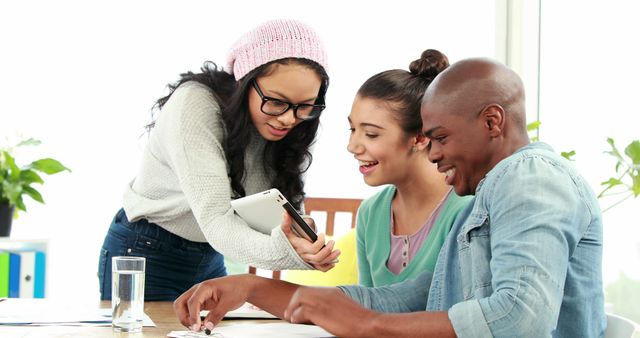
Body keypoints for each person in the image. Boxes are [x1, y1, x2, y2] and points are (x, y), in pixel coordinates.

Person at [173, 58, 606, 337]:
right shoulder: (485, 201)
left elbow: (521, 319)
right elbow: (401, 299)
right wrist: (251, 286)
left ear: (492, 121)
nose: (432, 153)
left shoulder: (530, 178)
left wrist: (369, 325)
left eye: (439, 138)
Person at [98, 19, 340, 301]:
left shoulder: (293, 126)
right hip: (146, 249)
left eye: (305, 105)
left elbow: (277, 215)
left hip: (209, 254)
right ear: (245, 82)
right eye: (276, 101)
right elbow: (216, 220)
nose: (288, 118)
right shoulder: (195, 104)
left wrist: (304, 242)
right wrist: (290, 251)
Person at [348, 49, 471, 287]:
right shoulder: (370, 214)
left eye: (371, 134)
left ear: (419, 138)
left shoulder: (466, 211)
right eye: (352, 129)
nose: (352, 146)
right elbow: (366, 307)